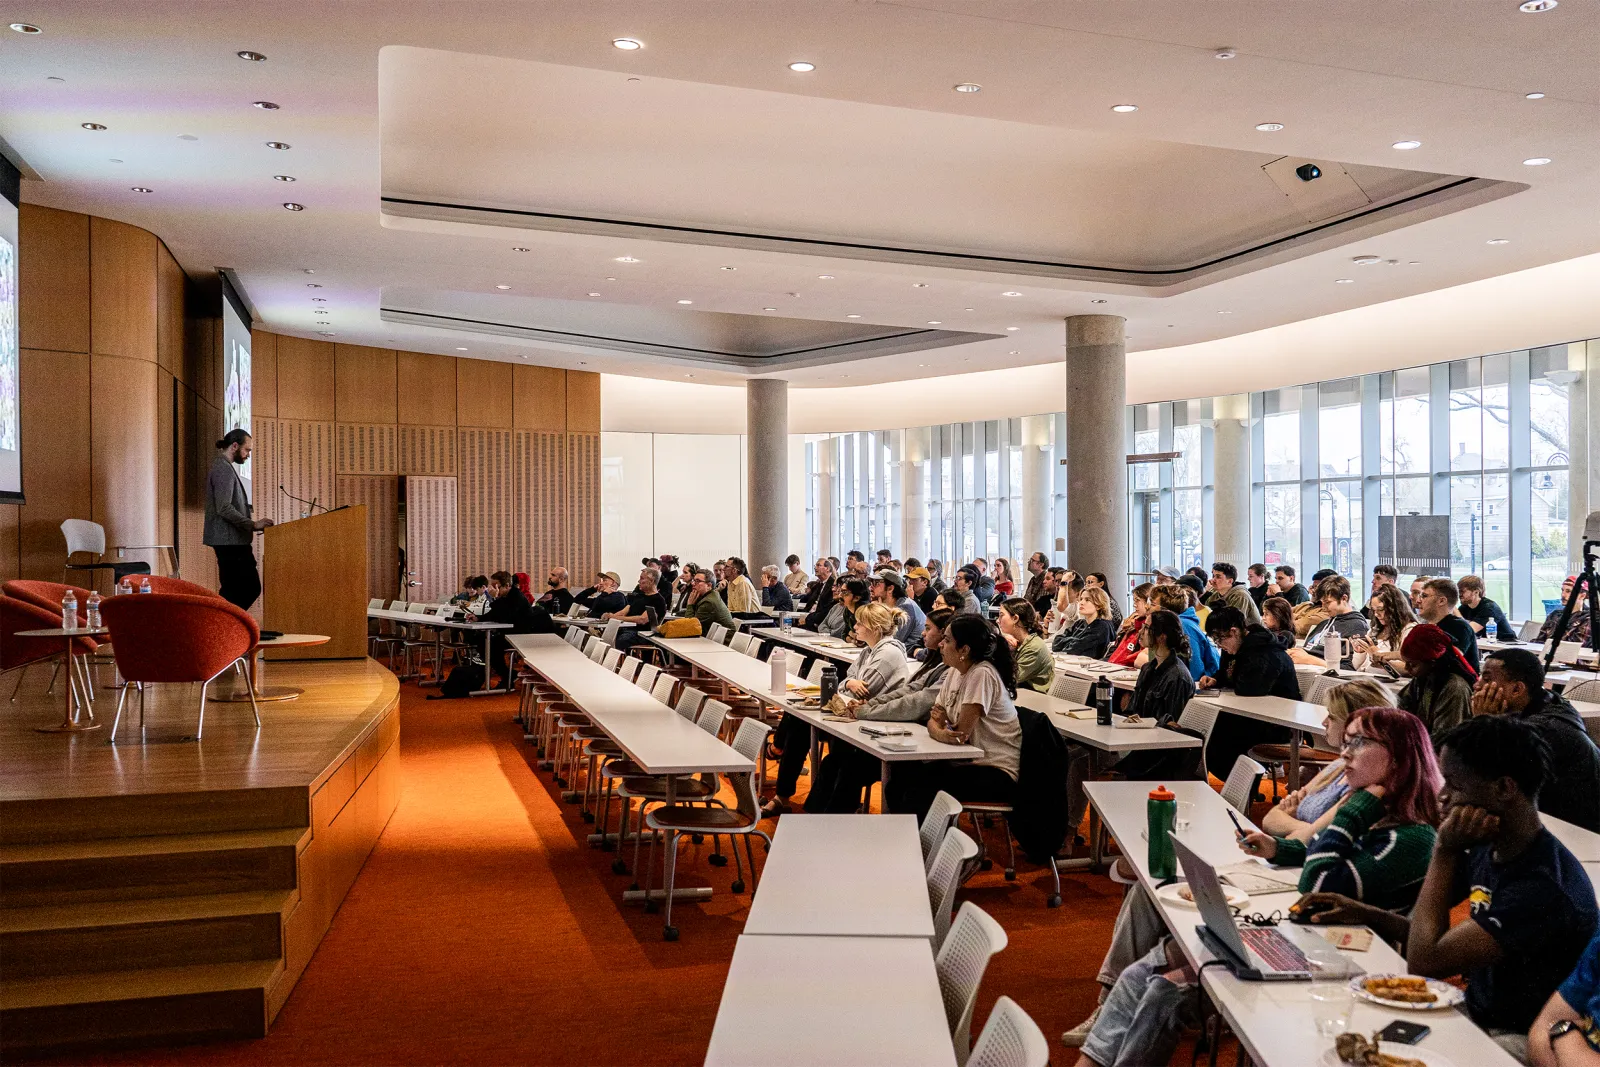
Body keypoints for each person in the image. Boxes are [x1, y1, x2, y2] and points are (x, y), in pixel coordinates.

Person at [1061, 678, 1386, 1051]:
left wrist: (1294, 827)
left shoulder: (1362, 789)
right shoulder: (1336, 770)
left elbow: (1299, 837)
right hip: (1276, 865)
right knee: (1147, 892)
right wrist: (1295, 828)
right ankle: (1106, 1002)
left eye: (1333, 719)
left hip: (1294, 885)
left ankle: (1143, 995)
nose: (1325, 726)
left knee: (1181, 903)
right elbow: (1274, 819)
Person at [1299, 716, 1599, 1061]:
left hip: (1521, 1037)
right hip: (1478, 1013)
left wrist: (1445, 850)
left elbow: (1426, 961)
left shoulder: (1542, 886)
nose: (1442, 796)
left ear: (1503, 789)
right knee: (1352, 1040)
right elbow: (1428, 937)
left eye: (1454, 785)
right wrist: (1364, 914)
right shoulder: (1493, 847)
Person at [1239, 706, 1440, 906]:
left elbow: (1314, 887)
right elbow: (1340, 852)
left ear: (1398, 755)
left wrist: (1350, 813)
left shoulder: (1411, 837)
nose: (1345, 754)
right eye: (1346, 743)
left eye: (1359, 742)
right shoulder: (1376, 809)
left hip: (1366, 937)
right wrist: (1278, 848)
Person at [804, 610, 956, 814]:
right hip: (903, 734)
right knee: (834, 761)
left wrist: (865, 710)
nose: (922, 633)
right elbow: (907, 691)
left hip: (917, 749)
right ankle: (814, 821)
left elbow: (916, 703)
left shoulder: (894, 655)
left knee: (848, 767)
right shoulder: (933, 664)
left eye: (929, 629)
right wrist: (861, 701)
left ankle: (834, 829)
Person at [888, 614, 1022, 817]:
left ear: (964, 650)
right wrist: (941, 730)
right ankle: (905, 841)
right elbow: (935, 720)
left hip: (994, 770)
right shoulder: (954, 671)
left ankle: (924, 846)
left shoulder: (981, 674)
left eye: (948, 640)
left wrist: (942, 728)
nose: (941, 644)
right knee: (899, 777)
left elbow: (960, 736)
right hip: (962, 761)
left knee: (918, 790)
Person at [1473, 649, 1600, 833]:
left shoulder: (1545, 729)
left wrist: (1483, 723)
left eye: (1486, 679)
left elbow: (1483, 778)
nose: (1477, 686)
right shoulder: (1546, 704)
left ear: (1517, 689)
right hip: (1552, 818)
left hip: (1580, 830)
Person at [1197, 606, 1302, 779]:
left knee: (1218, 733)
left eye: (1220, 639)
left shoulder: (1265, 651)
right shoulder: (1233, 648)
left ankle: (1241, 786)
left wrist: (1229, 679)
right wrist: (1215, 679)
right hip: (1250, 716)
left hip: (1276, 723)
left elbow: (1250, 689)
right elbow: (1227, 675)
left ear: (1234, 632)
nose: (1219, 645)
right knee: (1206, 726)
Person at [1111, 609, 1198, 781]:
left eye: (1147, 628)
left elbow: (1170, 728)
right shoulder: (1148, 668)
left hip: (1158, 755)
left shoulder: (1177, 677)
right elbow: (1134, 710)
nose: (1141, 632)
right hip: (1141, 740)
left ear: (1161, 637)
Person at [204, 428, 273, 610]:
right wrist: (252, 524)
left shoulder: (224, 467)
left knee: (235, 590)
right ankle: (219, 626)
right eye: (247, 450)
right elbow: (224, 507)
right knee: (246, 588)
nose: (248, 454)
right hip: (230, 543)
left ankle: (222, 628)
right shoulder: (222, 468)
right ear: (234, 446)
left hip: (231, 542)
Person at [1397, 622, 1477, 741]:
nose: (1406, 669)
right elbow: (1399, 707)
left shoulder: (1455, 688)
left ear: (1432, 663)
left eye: (1413, 664)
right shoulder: (1422, 679)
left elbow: (1444, 739)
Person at [471, 571, 539, 688]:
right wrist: (478, 618)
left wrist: (495, 598)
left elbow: (504, 616)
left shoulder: (516, 597)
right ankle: (507, 675)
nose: (493, 589)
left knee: (490, 645)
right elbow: (493, 614)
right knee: (482, 640)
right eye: (492, 586)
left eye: (496, 586)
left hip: (521, 635)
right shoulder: (505, 596)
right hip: (509, 633)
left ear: (507, 585)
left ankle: (507, 676)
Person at [1148, 584, 1219, 686]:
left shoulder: (1184, 626)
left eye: (1153, 604)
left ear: (1166, 610)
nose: (1148, 608)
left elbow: (1194, 670)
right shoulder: (1174, 625)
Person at [1301, 574, 1370, 667]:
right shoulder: (1324, 623)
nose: (1323, 607)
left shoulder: (1357, 627)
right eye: (1322, 602)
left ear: (1344, 598)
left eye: (1328, 602)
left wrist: (1309, 660)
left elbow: (1348, 668)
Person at [1350, 582, 1418, 668]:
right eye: (1373, 610)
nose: (1376, 614)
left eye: (1380, 609)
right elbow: (1356, 666)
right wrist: (1360, 652)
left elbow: (1408, 669)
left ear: (1394, 608)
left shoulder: (1409, 630)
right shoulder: (1375, 629)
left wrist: (1379, 655)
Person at [997, 598, 1053, 693]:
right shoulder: (1017, 642)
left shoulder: (1034, 647)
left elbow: (1008, 679)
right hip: (1016, 696)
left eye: (1001, 616)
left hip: (1033, 701)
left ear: (1015, 619)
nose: (998, 621)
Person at [606, 568, 668, 652]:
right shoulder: (638, 596)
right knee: (607, 635)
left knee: (621, 639)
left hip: (644, 633)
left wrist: (614, 617)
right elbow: (623, 612)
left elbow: (642, 619)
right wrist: (610, 616)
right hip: (629, 630)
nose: (639, 581)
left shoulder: (657, 600)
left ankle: (621, 662)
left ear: (652, 581)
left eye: (642, 578)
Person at [1052, 586, 1116, 658]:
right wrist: (1075, 641)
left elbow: (1075, 650)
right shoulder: (1079, 623)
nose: (1081, 603)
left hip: (1091, 666)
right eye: (1081, 599)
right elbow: (1056, 643)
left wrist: (1069, 641)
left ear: (1098, 605)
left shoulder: (1102, 626)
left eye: (1087, 600)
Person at [871, 569, 924, 648]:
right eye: (871, 583)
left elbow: (894, 640)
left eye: (876, 583)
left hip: (911, 656)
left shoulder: (905, 607)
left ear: (890, 588)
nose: (870, 587)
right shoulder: (890, 606)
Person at [1537, 576, 1594, 648]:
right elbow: (1539, 641)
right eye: (1562, 590)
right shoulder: (1554, 615)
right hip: (1545, 656)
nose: (1563, 595)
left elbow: (1572, 648)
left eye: (1568, 591)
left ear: (1582, 596)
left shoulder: (1589, 619)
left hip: (1570, 658)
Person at [1106, 583, 1154, 667]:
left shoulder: (1151, 628)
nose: (1134, 605)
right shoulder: (1133, 625)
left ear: (1148, 602)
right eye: (1134, 600)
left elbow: (1129, 659)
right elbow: (1117, 653)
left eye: (1137, 600)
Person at [1203, 562, 1262, 627]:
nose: (1213, 580)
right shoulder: (1214, 596)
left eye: (1218, 577)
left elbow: (1234, 623)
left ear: (1230, 581)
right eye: (1213, 576)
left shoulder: (1240, 595)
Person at [1458, 574, 1513, 639]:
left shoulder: (1489, 608)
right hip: (1485, 645)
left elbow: (1469, 630)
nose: (1459, 595)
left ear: (1476, 592)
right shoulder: (1464, 608)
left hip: (1504, 645)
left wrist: (1453, 609)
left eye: (1462, 591)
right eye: (1458, 591)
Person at [685, 568, 736, 634]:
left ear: (709, 586)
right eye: (693, 580)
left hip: (722, 643)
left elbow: (690, 627)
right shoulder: (709, 596)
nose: (693, 583)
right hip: (713, 639)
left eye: (697, 581)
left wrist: (690, 605)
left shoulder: (708, 602)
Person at [801, 557, 837, 630]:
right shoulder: (817, 585)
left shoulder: (833, 586)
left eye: (818, 565)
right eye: (815, 566)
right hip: (810, 618)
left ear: (827, 568)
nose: (815, 568)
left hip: (819, 622)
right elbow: (807, 601)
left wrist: (808, 618)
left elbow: (826, 610)